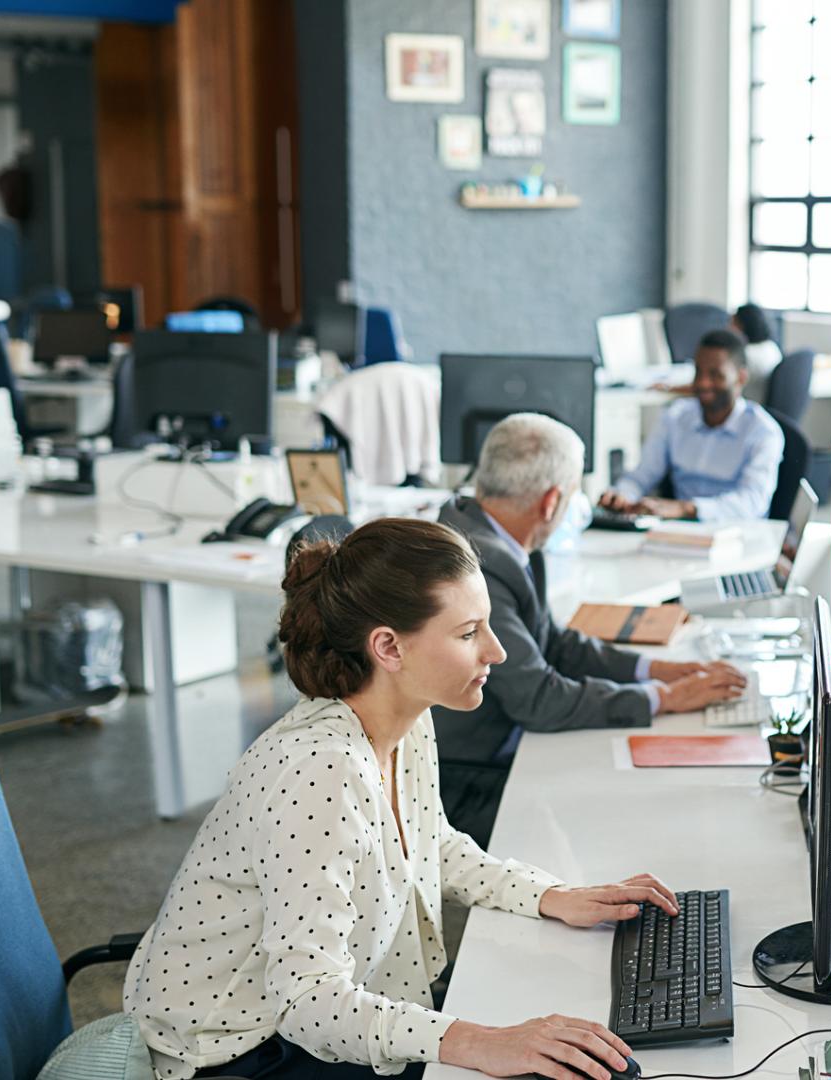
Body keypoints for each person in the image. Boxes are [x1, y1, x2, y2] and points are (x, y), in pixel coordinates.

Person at [125, 517, 676, 1080]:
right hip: (240, 1054)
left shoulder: (404, 720)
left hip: (330, 1015)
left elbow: (429, 842)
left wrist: (552, 895)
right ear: (388, 647)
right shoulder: (319, 771)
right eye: (468, 633)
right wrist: (480, 1042)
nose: (497, 651)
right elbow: (307, 1001)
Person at [436, 413, 747, 840]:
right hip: (471, 777)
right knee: (626, 811)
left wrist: (656, 671)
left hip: (508, 745)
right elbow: (539, 699)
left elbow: (555, 644)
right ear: (551, 502)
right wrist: (665, 699)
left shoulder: (494, 535)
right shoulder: (479, 565)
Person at [600, 329, 785, 522]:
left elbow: (751, 503)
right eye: (698, 372)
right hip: (681, 533)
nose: (703, 383)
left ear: (741, 378)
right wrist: (622, 495)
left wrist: (687, 508)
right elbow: (641, 476)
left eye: (716, 375)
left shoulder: (763, 432)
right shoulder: (676, 417)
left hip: (738, 534)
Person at [729, 303, 782, 404]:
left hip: (746, 406)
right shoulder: (772, 347)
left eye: (732, 323)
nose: (728, 328)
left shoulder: (746, 355)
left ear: (743, 325)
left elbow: (724, 388)